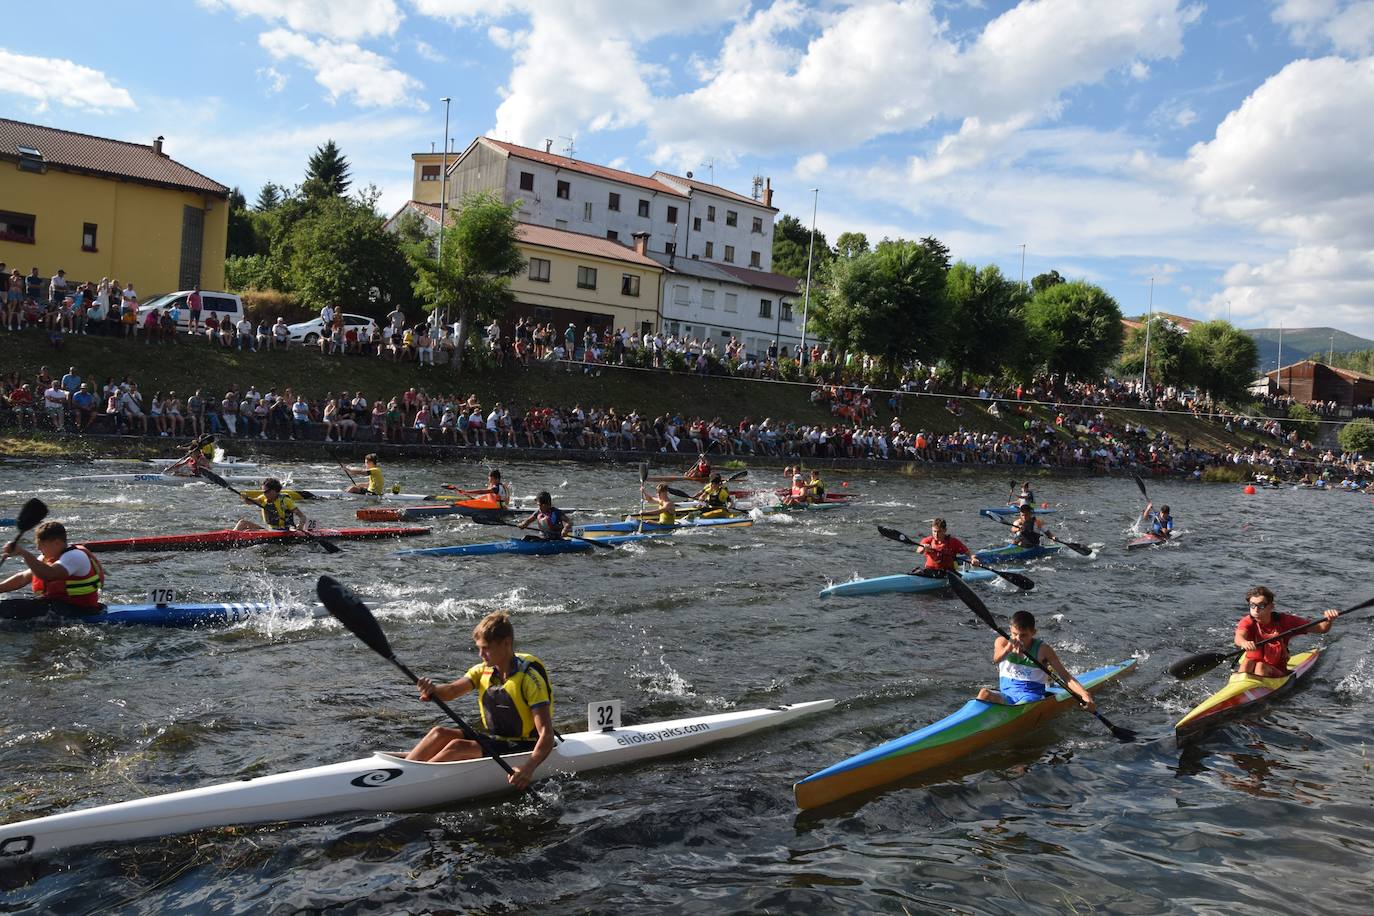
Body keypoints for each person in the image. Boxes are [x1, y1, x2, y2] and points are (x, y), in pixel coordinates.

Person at [405, 611, 554, 789]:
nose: (481, 654)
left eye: (486, 648)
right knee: (439, 733)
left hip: (527, 744)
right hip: (498, 739)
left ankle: (411, 784)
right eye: (479, 648)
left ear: (506, 643)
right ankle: (402, 773)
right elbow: (452, 691)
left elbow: (546, 734)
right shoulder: (483, 670)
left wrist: (528, 768)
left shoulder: (529, 679)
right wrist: (433, 689)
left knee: (458, 747)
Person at [975, 610, 1097, 710]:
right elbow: (996, 659)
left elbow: (1065, 677)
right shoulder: (1002, 641)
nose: (1018, 639)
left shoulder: (1043, 650)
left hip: (1030, 697)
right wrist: (1008, 649)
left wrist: (1085, 695)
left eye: (1023, 635)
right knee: (984, 693)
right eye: (1014, 634)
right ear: (1010, 629)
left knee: (1022, 704)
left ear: (1033, 632)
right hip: (1006, 695)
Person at [0, 521, 105, 620]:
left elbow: (51, 574)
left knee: (6, 608)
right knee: (8, 600)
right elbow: (23, 578)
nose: (38, 548)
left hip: (80, 610)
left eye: (42, 545)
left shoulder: (75, 556)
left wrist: (23, 553)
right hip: (56, 605)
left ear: (57, 543)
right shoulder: (46, 557)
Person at [1235, 586, 1339, 678]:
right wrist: (1244, 642)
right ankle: (1239, 689)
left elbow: (1322, 628)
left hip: (1277, 672)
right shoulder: (1247, 621)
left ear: (1271, 606)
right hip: (1251, 667)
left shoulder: (1285, 621)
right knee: (1247, 663)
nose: (1256, 610)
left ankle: (1253, 693)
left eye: (1261, 605)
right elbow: (1239, 637)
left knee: (1260, 667)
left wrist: (1329, 619)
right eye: (1252, 605)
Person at [912, 517, 982, 577]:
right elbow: (919, 550)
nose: (936, 534)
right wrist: (924, 548)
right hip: (930, 571)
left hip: (948, 572)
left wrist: (973, 558)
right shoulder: (928, 540)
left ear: (945, 530)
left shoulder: (953, 542)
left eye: (939, 531)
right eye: (934, 531)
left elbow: (968, 552)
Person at [235, 478, 310, 531]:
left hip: (283, 531)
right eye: (263, 492)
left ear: (275, 490)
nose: (264, 494)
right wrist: (246, 498)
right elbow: (250, 502)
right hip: (271, 530)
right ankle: (228, 537)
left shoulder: (285, 501)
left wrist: (300, 527)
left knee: (248, 531)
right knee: (242, 523)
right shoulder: (263, 498)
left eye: (266, 491)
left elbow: (302, 517)